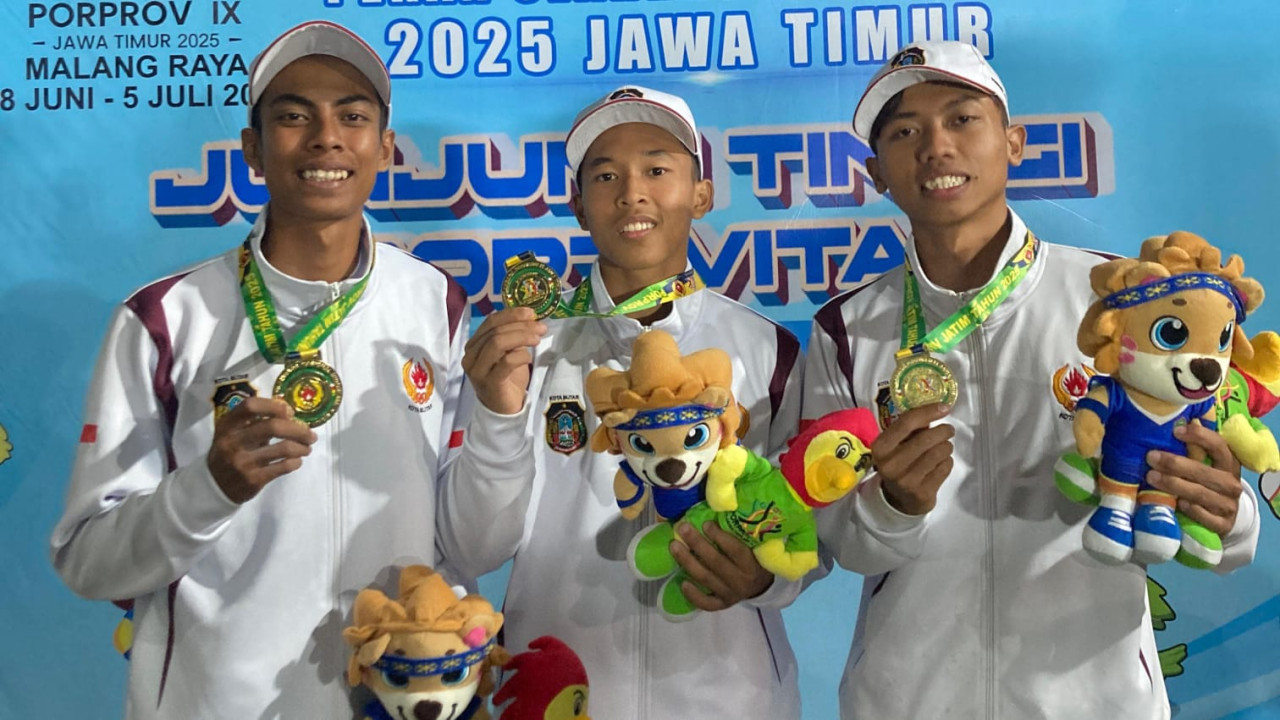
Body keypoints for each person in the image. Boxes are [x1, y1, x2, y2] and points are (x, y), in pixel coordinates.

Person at [50, 20, 531, 719]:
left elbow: (475, 546)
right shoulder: (165, 317)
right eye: (292, 115)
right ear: (252, 148)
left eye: (353, 116)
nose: (325, 137)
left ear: (385, 148)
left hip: (400, 699)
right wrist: (207, 488)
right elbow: (88, 561)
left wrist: (501, 421)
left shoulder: (437, 304)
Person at [803, 40, 1261, 719]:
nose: (936, 147)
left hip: (1097, 700)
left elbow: (1220, 499)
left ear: (1013, 142)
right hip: (907, 700)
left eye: (962, 119)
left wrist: (1231, 517)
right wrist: (891, 505)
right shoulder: (844, 330)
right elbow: (840, 540)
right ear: (876, 172)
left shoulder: (1123, 302)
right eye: (905, 132)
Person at [447, 86, 807, 719]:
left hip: (729, 697)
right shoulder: (526, 348)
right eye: (606, 175)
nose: (632, 192)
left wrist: (768, 577)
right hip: (562, 694)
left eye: (658, 169)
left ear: (703, 192)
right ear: (578, 206)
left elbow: (809, 533)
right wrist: (500, 416)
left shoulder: (767, 349)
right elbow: (475, 549)